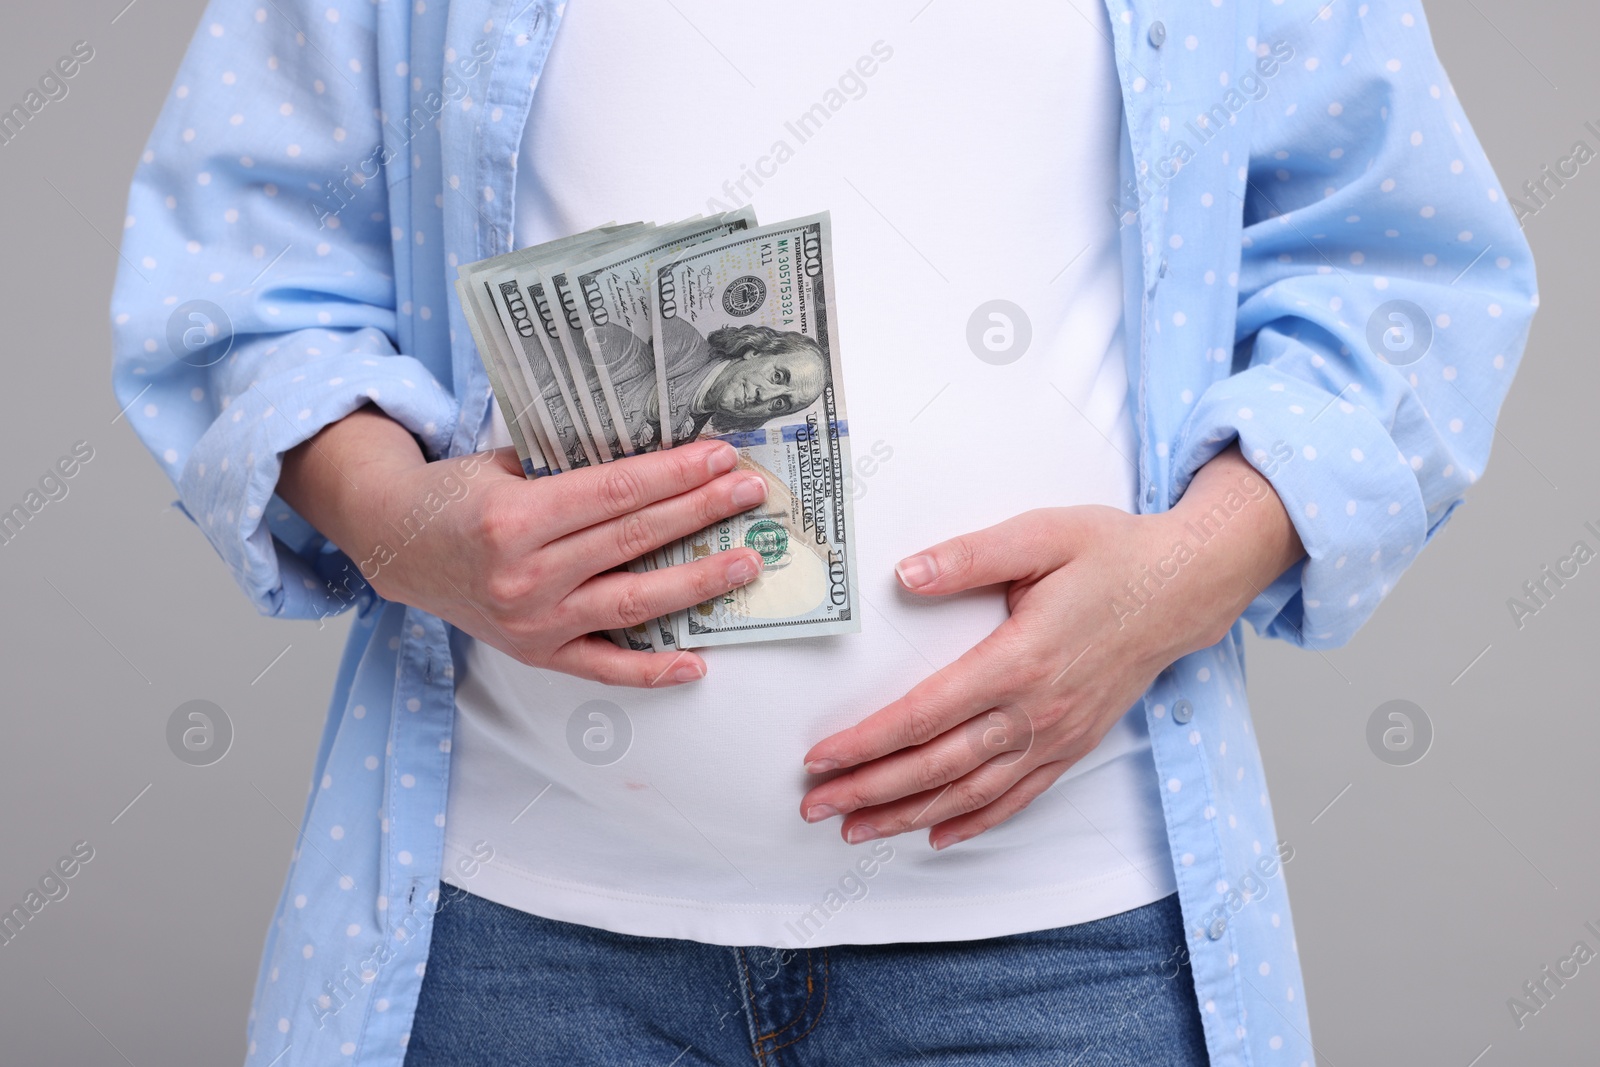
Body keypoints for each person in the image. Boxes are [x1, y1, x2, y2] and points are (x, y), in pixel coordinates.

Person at [111, 1, 1536, 1064]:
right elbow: (247, 278)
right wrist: (408, 521)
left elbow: (1400, 286)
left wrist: (1179, 577)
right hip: (514, 943)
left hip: (1072, 955)